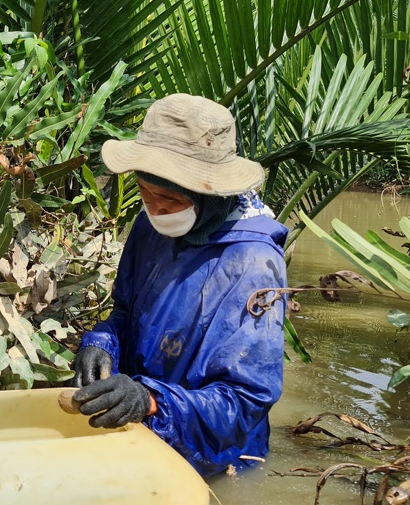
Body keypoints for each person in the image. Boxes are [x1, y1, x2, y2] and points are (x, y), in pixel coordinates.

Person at [70, 93, 288, 477]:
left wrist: (152, 402)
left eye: (168, 198)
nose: (154, 209)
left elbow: (245, 400)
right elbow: (126, 312)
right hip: (141, 433)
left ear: (209, 194)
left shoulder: (253, 263)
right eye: (144, 192)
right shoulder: (150, 226)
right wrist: (100, 343)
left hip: (216, 459)